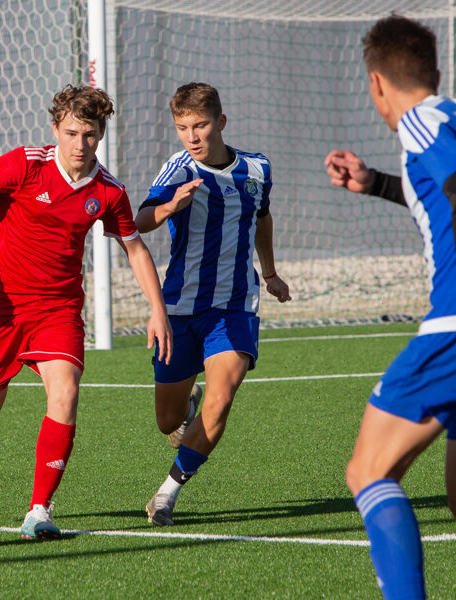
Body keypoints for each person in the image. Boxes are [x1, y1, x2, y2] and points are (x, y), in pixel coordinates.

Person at [324, 15, 456, 599]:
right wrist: (375, 183)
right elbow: (452, 193)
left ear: (376, 83)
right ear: (434, 72)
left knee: (368, 471)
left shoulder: (418, 121)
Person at [0, 84, 172, 540]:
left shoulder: (108, 190)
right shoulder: (25, 164)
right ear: (56, 128)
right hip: (0, 307)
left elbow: (135, 249)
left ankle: (39, 510)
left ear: (101, 134)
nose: (81, 144)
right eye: (72, 133)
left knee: (65, 393)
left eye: (90, 134)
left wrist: (157, 310)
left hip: (58, 310)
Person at [136, 82, 291, 526]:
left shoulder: (258, 168)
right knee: (167, 421)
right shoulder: (178, 168)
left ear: (220, 122)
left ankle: (166, 494)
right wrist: (170, 207)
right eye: (182, 127)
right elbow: (140, 220)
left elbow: (262, 216)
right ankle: (187, 408)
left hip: (234, 306)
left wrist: (270, 272)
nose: (192, 136)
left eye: (200, 125)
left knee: (221, 399)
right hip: (180, 309)